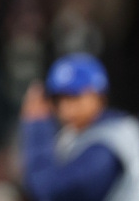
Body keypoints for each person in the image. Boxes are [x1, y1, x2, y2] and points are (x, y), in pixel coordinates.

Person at [19, 52, 139, 201]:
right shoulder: (73, 133)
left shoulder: (113, 138)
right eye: (59, 99)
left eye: (74, 97)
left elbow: (52, 192)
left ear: (98, 95)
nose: (66, 108)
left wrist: (38, 128)